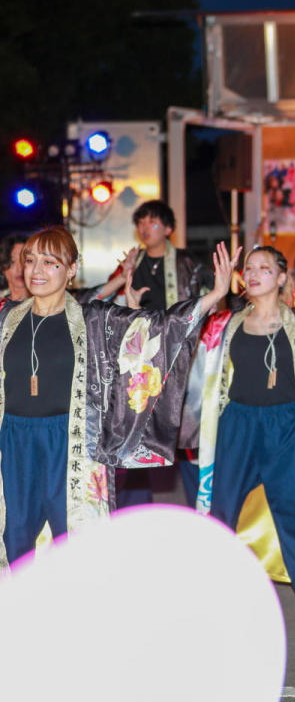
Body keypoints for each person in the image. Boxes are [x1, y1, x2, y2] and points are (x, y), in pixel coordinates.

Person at [0, 227, 234, 568]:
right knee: (14, 534)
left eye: (50, 262)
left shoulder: (94, 319)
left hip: (70, 439)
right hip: (12, 439)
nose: (36, 270)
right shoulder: (6, 318)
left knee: (74, 536)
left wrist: (215, 294)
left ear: (71, 269)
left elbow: (162, 326)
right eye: (30, 260)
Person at [181, 246, 295, 629]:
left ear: (282, 277)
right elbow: (178, 328)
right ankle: (208, 597)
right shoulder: (225, 323)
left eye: (264, 268)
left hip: (285, 426)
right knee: (221, 513)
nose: (253, 274)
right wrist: (216, 292)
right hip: (237, 425)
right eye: (248, 268)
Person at [90, 200, 213, 507]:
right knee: (133, 421)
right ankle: (133, 504)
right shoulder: (132, 262)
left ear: (168, 228)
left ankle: (199, 500)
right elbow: (108, 305)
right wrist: (125, 278)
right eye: (142, 223)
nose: (146, 228)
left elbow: (207, 304)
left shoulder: (188, 262)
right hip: (138, 356)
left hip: (179, 351)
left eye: (153, 223)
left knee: (186, 421)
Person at [0, 232, 30, 301]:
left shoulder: (44, 303)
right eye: (12, 262)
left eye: (25, 261)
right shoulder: (2, 302)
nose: (20, 269)